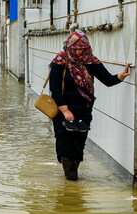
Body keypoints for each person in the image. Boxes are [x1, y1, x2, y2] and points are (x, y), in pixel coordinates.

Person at [49, 30, 131, 180]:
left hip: (84, 112)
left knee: (78, 147)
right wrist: (65, 110)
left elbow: (108, 80)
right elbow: (54, 89)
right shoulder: (60, 62)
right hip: (63, 112)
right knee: (65, 146)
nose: (79, 52)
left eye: (82, 49)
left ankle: (72, 182)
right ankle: (71, 184)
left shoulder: (91, 62)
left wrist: (121, 76)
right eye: (76, 49)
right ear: (70, 47)